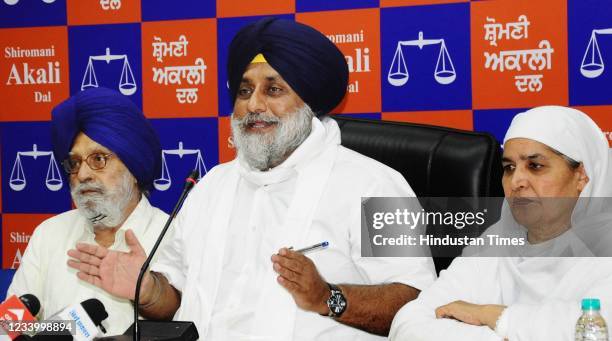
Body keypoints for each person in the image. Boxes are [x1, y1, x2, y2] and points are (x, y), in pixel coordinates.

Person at [67, 17, 436, 340]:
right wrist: (147, 291)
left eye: (273, 90)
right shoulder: (210, 186)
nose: (253, 105)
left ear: (309, 103)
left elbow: (416, 302)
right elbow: (174, 299)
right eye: (244, 91)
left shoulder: (375, 185)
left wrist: (328, 296)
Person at [389, 105, 612, 341]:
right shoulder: (497, 241)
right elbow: (408, 324)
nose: (516, 181)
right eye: (509, 168)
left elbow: (596, 329)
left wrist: (494, 316)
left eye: (535, 166)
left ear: (581, 176)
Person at [7, 87, 168, 334]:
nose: (82, 174)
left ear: (134, 167)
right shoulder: (49, 233)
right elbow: (8, 329)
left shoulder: (172, 236)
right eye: (75, 162)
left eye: (98, 159)